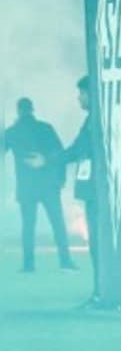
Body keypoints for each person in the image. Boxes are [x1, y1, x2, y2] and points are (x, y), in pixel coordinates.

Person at [3, 97, 75, 272]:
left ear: (19, 111)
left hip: (27, 187)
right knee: (58, 224)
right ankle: (65, 262)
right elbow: (60, 153)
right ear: (32, 109)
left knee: (28, 226)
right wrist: (61, 179)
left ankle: (28, 265)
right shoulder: (45, 128)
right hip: (49, 184)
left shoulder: (12, 132)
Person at [62, 76, 103, 306]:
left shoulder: (94, 121)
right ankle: (101, 291)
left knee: (98, 244)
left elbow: (78, 149)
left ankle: (101, 292)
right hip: (97, 190)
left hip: (97, 191)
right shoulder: (93, 119)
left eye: (82, 93)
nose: (79, 98)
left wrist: (47, 161)